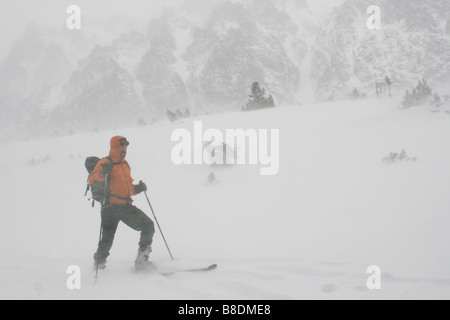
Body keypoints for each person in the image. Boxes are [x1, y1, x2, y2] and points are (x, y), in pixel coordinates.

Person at [90, 136, 155, 272]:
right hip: (110, 208)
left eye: (126, 144)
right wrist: (103, 171)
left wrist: (137, 188)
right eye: (122, 144)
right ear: (115, 146)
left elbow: (126, 188)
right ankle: (98, 265)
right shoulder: (105, 162)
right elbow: (93, 178)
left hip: (124, 207)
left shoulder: (125, 164)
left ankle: (141, 261)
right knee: (107, 241)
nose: (125, 147)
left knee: (148, 226)